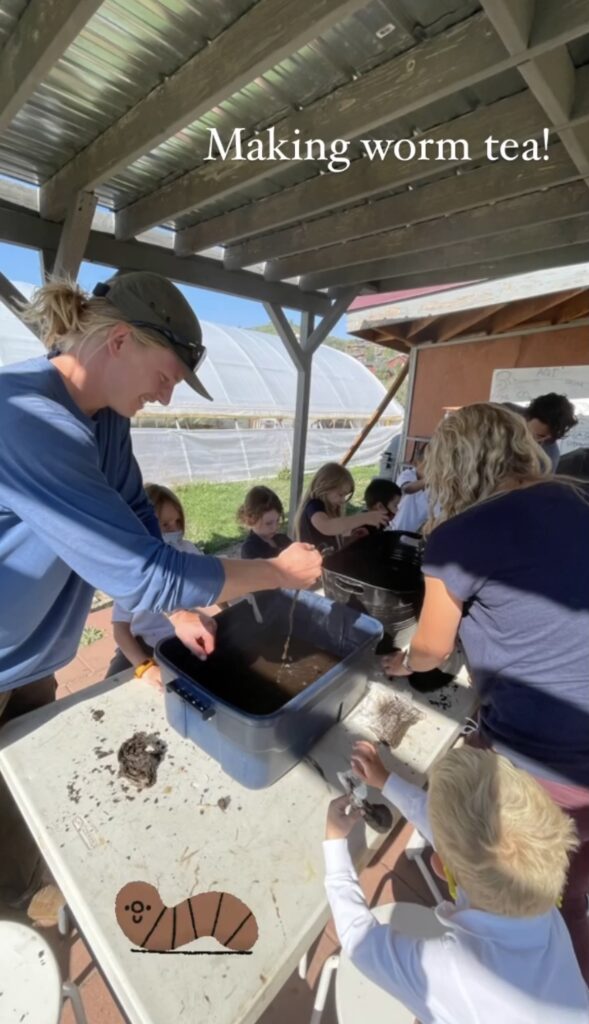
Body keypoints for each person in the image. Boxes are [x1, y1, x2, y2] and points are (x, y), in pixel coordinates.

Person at [0, 272, 321, 909]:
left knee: (20, 800)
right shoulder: (24, 415)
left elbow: (140, 523)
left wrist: (178, 610)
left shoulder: (104, 419)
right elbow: (143, 570)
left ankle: (21, 891)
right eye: (168, 377)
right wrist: (278, 573)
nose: (168, 399)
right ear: (119, 341)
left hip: (30, 658)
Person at [382, 402, 589, 981]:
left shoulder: (462, 536)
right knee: (569, 892)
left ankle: (499, 989)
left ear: (457, 466)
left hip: (543, 757)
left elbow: (430, 649)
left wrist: (398, 663)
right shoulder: (578, 499)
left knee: (508, 893)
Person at [324, 741, 589, 1024]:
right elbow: (458, 841)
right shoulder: (541, 905)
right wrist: (386, 781)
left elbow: (358, 940)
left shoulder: (452, 973)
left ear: (438, 865)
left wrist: (334, 841)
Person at [108, 483, 218, 684]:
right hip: (140, 643)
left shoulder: (188, 551)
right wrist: (144, 667)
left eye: (177, 522)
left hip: (181, 638)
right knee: (111, 685)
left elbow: (215, 584)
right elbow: (120, 630)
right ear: (143, 525)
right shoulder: (133, 568)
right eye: (166, 525)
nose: (174, 530)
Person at [294, 463, 388, 552]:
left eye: (345, 495)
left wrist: (351, 538)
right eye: (340, 494)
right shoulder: (314, 505)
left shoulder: (328, 509)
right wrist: (365, 518)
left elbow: (332, 544)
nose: (343, 500)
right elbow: (327, 526)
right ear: (324, 487)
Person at [506, 392, 578, 470]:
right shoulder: (504, 412)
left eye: (551, 438)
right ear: (527, 416)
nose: (542, 441)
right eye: (540, 435)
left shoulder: (548, 458)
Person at [237, 485, 292, 559]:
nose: (275, 527)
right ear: (251, 519)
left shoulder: (282, 539)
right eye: (268, 523)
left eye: (277, 520)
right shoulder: (250, 549)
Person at [392, 441, 429, 534]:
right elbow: (407, 489)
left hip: (416, 533)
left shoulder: (435, 487)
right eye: (427, 464)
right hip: (396, 528)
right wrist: (430, 479)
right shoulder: (408, 474)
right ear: (417, 463)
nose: (431, 468)